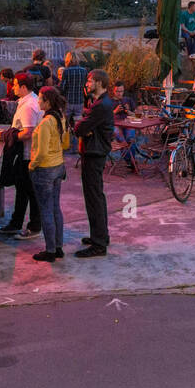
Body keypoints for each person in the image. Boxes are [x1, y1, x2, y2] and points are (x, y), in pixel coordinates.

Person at [72, 70, 115, 258]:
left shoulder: (101, 106)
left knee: (94, 198)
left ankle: (98, 244)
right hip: (94, 152)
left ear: (98, 82)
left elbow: (79, 128)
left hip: (94, 154)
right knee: (96, 196)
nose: (87, 84)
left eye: (90, 81)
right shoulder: (97, 103)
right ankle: (100, 236)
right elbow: (84, 125)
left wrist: (82, 127)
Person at [0, 73, 43, 239]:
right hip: (26, 155)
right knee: (22, 190)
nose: (13, 87)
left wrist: (8, 136)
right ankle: (16, 223)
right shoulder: (27, 101)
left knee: (30, 191)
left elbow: (28, 133)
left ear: (24, 87)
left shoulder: (29, 105)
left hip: (28, 155)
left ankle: (34, 227)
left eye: (16, 85)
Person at [29, 86, 68, 262]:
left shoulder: (45, 123)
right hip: (58, 166)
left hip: (45, 168)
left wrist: (32, 164)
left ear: (47, 101)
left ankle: (50, 250)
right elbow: (65, 144)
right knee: (55, 208)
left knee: (46, 210)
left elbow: (42, 152)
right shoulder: (60, 118)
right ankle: (58, 247)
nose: (38, 101)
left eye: (40, 99)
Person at [111, 81, 141, 171]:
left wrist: (128, 111)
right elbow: (105, 117)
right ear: (113, 91)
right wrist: (115, 111)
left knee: (130, 139)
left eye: (121, 91)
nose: (119, 93)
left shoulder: (128, 100)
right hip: (115, 124)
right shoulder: (109, 101)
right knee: (122, 141)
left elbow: (137, 115)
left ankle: (130, 162)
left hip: (128, 123)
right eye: (117, 91)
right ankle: (131, 161)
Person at [58, 53, 89, 127]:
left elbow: (62, 87)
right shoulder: (84, 71)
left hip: (68, 101)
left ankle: (67, 137)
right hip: (79, 101)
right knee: (78, 125)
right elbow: (86, 86)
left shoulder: (66, 71)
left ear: (67, 60)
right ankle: (77, 138)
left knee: (65, 124)